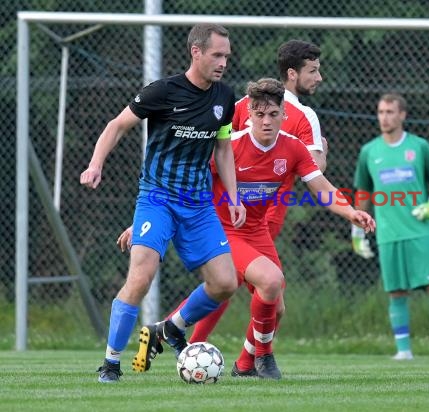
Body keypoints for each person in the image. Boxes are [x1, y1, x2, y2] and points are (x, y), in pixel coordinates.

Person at [120, 78, 375, 379]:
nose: (266, 121)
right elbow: (183, 184)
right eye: (259, 114)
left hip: (256, 231)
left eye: (273, 114)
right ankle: (263, 359)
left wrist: (350, 212)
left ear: (283, 114)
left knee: (276, 307)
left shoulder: (292, 148)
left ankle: (210, 350)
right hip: (221, 230)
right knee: (270, 280)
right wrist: (142, 221)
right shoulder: (230, 147)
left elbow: (321, 187)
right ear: (249, 114)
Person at [80, 23, 246, 383]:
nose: (223, 63)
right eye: (217, 55)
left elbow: (222, 149)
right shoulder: (163, 91)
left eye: (227, 57)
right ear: (196, 52)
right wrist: (96, 164)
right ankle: (110, 363)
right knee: (141, 277)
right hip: (157, 197)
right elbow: (116, 125)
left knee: (225, 283)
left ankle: (172, 327)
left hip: (199, 205)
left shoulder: (224, 98)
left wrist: (233, 196)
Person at [184, 39, 328, 345]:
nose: (319, 78)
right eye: (313, 71)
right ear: (292, 73)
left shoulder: (243, 106)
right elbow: (314, 167)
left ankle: (184, 340)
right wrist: (320, 152)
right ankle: (183, 339)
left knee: (244, 292)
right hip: (248, 216)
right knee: (237, 286)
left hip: (250, 217)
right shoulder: (302, 115)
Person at [352, 92, 429, 362]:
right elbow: (363, 192)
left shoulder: (420, 147)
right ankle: (404, 350)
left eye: (390, 112)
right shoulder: (369, 151)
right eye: (380, 112)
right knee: (396, 292)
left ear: (402, 115)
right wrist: (357, 230)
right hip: (388, 234)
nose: (384, 117)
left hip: (419, 230)